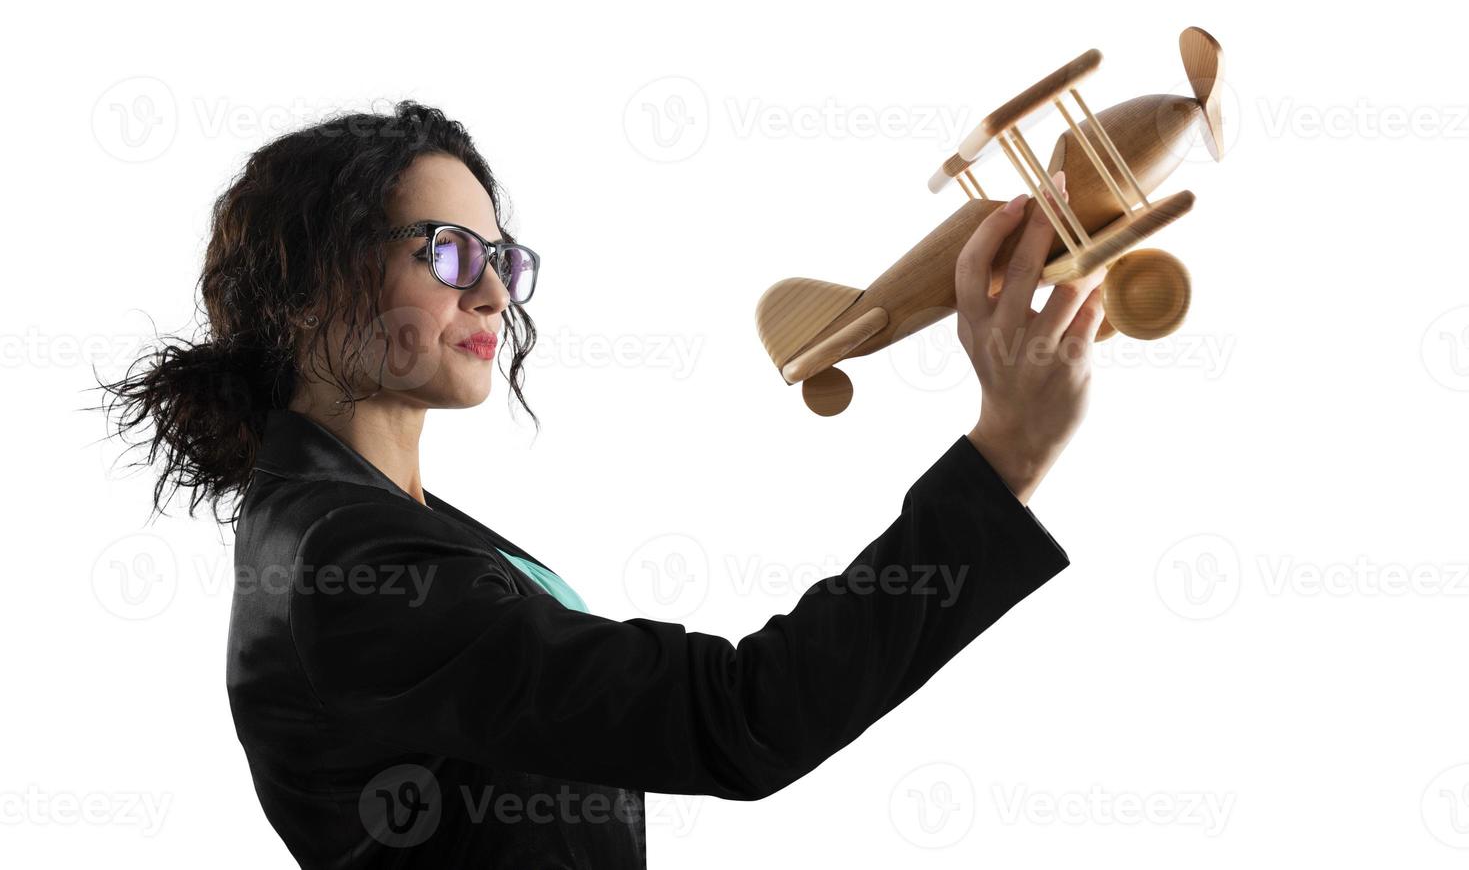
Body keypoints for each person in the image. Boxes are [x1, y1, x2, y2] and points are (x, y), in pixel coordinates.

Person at [94, 101, 1105, 868]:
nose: (490, 290)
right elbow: (736, 716)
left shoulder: (371, 521)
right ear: (312, 283)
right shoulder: (348, 565)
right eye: (446, 251)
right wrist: (1001, 455)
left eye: (499, 257)